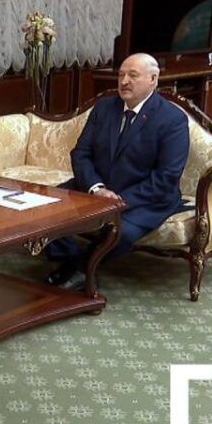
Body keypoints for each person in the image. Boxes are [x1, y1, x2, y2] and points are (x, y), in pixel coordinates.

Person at [46, 52, 190, 291]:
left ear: (153, 79)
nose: (124, 81)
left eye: (133, 75)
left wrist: (119, 200)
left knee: (122, 231)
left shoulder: (172, 119)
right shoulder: (104, 108)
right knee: (47, 206)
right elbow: (81, 153)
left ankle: (82, 269)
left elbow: (166, 177)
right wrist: (97, 189)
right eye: (121, 75)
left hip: (145, 198)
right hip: (97, 188)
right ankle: (70, 262)